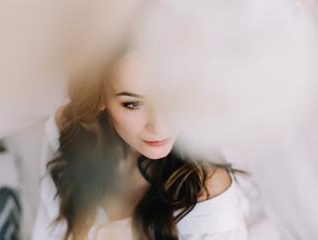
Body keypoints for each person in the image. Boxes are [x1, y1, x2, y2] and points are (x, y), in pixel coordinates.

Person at [32, 46, 249, 239]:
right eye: (134, 104)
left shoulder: (207, 191)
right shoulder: (70, 130)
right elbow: (51, 226)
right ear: (99, 98)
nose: (160, 127)